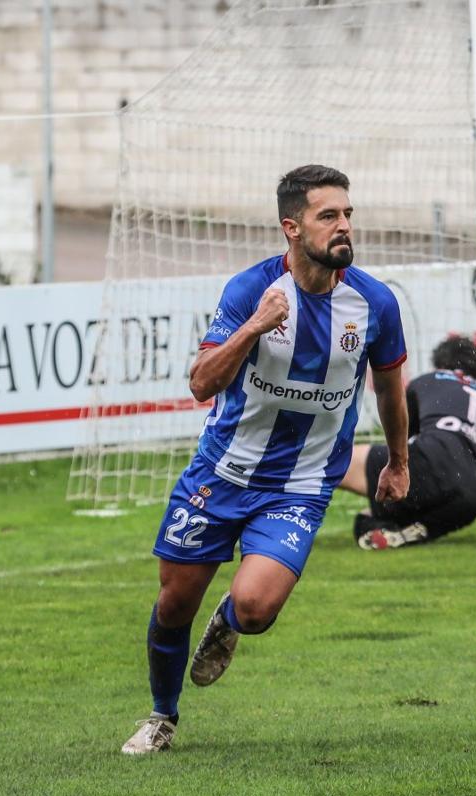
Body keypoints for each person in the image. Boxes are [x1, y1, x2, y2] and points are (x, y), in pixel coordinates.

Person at [120, 165, 409, 755]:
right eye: (328, 216)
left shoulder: (374, 303)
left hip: (300, 486)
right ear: (292, 227)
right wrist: (254, 327)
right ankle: (161, 717)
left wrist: (398, 461)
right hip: (220, 473)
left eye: (347, 214)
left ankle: (228, 620)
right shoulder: (250, 291)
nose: (344, 226)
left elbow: (389, 389)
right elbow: (202, 383)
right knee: (174, 604)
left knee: (254, 609)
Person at [337, 336, 476, 550]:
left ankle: (380, 524)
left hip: (430, 462)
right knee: (446, 501)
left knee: (330, 461)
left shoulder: (429, 379)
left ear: (441, 364)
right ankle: (415, 528)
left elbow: (401, 442)